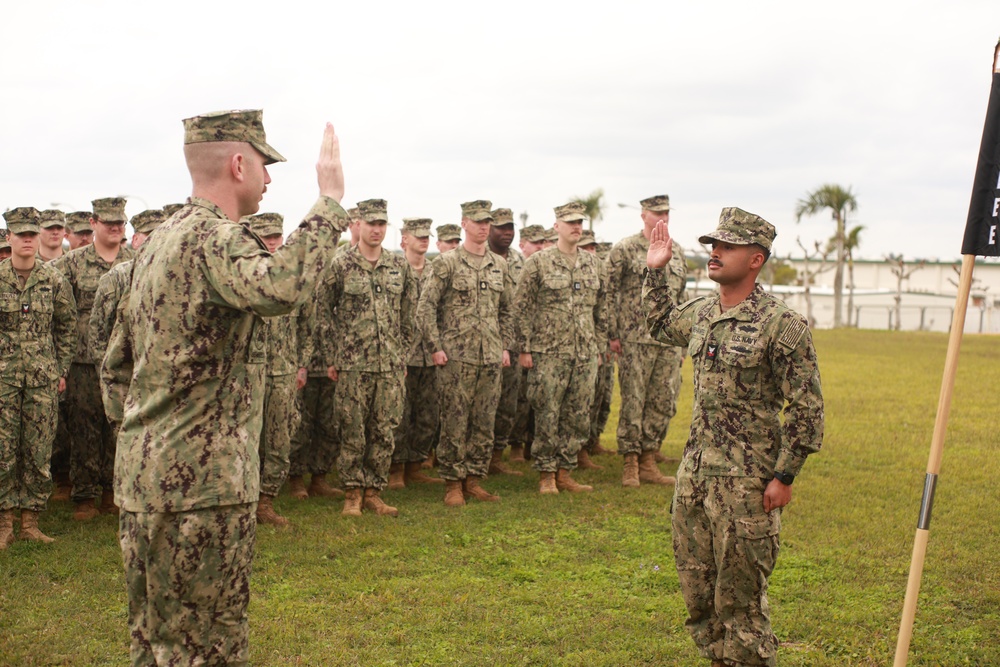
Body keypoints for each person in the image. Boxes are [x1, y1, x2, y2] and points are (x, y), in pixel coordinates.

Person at [101, 110, 349, 666]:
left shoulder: (156, 245)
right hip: (202, 491)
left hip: (144, 481)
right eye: (264, 164)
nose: (268, 178)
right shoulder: (217, 241)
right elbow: (281, 287)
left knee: (154, 644)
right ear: (239, 164)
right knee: (206, 648)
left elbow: (114, 365)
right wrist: (329, 203)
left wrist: (148, 435)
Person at [642, 207, 824, 667]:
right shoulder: (703, 312)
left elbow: (806, 407)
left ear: (756, 258)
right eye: (713, 245)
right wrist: (657, 271)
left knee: (741, 606)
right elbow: (660, 323)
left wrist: (784, 476)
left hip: (746, 485)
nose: (715, 252)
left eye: (727, 246)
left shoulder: (782, 325)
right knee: (698, 598)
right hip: (696, 477)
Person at [415, 200, 513, 507]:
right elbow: (426, 306)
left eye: (488, 222)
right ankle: (452, 483)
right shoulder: (447, 263)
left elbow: (508, 309)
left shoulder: (499, 265)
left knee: (484, 421)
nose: (484, 226)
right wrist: (435, 347)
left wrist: (505, 346)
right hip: (456, 357)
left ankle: (474, 479)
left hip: (490, 357)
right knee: (455, 422)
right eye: (478, 221)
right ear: (464, 223)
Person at [322, 199, 416, 516]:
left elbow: (409, 315)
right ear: (358, 225)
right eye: (371, 223)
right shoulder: (341, 265)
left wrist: (400, 352)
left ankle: (374, 491)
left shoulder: (398, 266)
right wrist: (334, 354)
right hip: (352, 363)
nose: (376, 229)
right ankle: (352, 493)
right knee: (352, 429)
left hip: (388, 364)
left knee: (384, 430)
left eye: (381, 224)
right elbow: (323, 312)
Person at [514, 202, 606, 494]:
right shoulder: (539, 262)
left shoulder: (594, 263)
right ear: (557, 227)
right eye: (570, 223)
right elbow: (522, 308)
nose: (576, 227)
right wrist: (525, 348)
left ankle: (566, 471)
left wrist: (599, 347)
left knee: (578, 414)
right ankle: (546, 474)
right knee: (547, 413)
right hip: (548, 352)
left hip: (584, 353)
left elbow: (602, 310)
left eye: (579, 222)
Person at [53, 196, 135, 520]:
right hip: (85, 362)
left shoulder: (136, 260)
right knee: (85, 427)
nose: (115, 227)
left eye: (120, 223)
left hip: (125, 361)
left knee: (120, 427)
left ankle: (114, 492)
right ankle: (84, 495)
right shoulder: (72, 263)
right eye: (108, 222)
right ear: (93, 223)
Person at [0, 207, 77, 548]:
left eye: (32, 234)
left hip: (42, 380)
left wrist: (60, 369)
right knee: (3, 450)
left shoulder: (53, 279)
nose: (28, 239)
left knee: (38, 449)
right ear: (9, 238)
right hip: (3, 380)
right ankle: (4, 523)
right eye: (21, 235)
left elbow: (67, 326)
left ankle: (30, 520)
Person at [607, 195, 685, 488]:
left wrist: (683, 342)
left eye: (666, 212)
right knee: (633, 401)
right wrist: (612, 334)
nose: (661, 217)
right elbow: (609, 292)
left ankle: (649, 459)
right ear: (643, 215)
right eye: (656, 213)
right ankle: (630, 463)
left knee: (662, 400)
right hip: (634, 339)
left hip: (667, 341)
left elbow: (682, 297)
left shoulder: (676, 251)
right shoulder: (625, 249)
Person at [244, 212, 306, 526]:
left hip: (283, 370)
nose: (271, 242)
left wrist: (301, 363)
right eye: (265, 236)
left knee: (279, 438)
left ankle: (266, 500)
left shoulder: (291, 276)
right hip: (248, 371)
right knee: (245, 440)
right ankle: (244, 500)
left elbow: (307, 324)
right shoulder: (242, 275)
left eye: (275, 236)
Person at [389, 217, 445, 488]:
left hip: (431, 355)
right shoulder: (394, 269)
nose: (424, 239)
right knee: (400, 413)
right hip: (404, 355)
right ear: (404, 240)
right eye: (418, 235)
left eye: (426, 235)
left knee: (428, 414)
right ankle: (396, 467)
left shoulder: (437, 270)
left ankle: (415, 463)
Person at [487, 207, 526, 476]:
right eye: (501, 227)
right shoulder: (481, 259)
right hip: (483, 345)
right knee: (481, 404)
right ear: (488, 229)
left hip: (512, 347)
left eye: (510, 227)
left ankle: (496, 457)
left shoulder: (521, 261)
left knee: (507, 405)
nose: (507, 232)